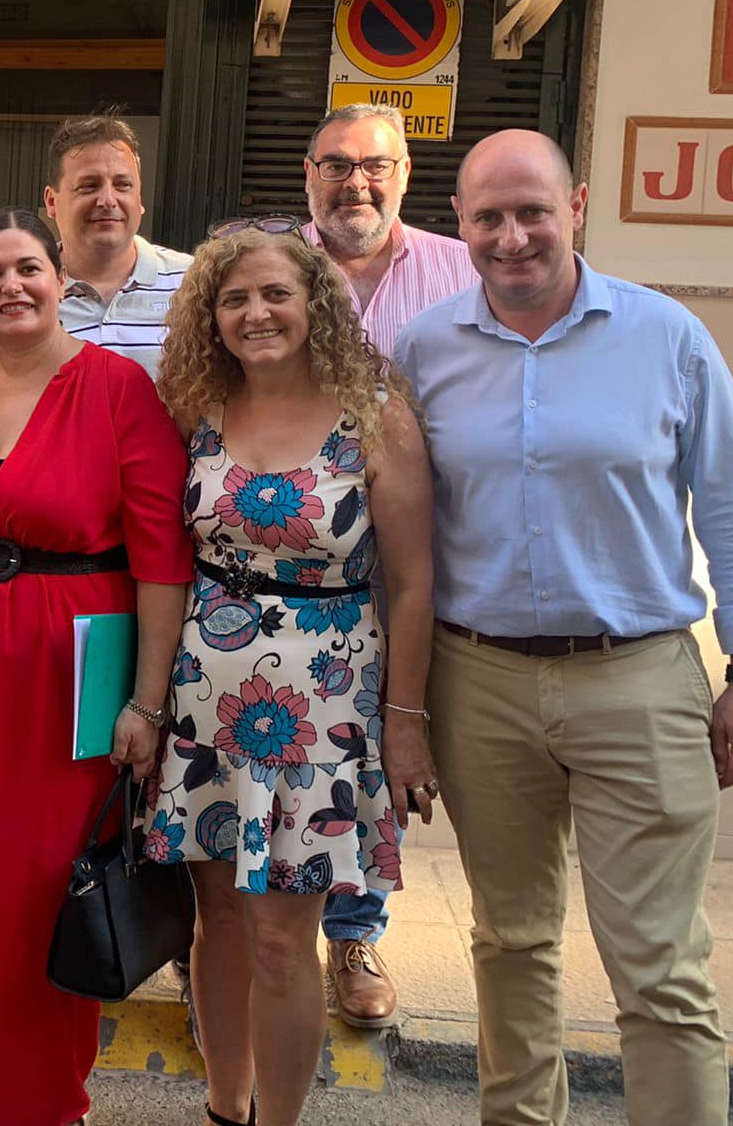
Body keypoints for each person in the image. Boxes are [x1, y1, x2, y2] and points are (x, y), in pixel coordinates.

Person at [394, 130, 733, 1126]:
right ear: (459, 225)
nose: (511, 237)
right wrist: (398, 703)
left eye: (531, 210)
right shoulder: (420, 350)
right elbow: (399, 534)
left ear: (575, 205)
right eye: (486, 217)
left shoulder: (663, 335)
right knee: (509, 941)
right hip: (475, 679)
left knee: (658, 966)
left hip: (636, 680)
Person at [0, 207, 192, 1126]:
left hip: (73, 653)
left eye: (27, 268)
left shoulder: (116, 388)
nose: (10, 287)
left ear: (59, 277)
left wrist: (147, 698)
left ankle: (40, 1096)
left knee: (33, 872)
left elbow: (163, 556)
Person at [148, 228, 436, 1126]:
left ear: (314, 302)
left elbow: (417, 581)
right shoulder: (194, 409)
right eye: (233, 300)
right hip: (206, 698)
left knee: (282, 937)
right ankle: (224, 1109)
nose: (255, 313)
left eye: (274, 294)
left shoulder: (373, 412)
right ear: (211, 318)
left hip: (321, 705)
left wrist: (404, 722)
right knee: (217, 925)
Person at [298, 101, 476, 1029]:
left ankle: (354, 929)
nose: (354, 183)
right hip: (288, 560)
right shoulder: (273, 268)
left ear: (405, 175)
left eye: (374, 166)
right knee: (279, 745)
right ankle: (243, 932)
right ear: (308, 174)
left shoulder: (459, 273)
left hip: (410, 558)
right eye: (335, 165)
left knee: (380, 748)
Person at [0, 115, 191, 375]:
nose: (107, 200)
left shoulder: (192, 283)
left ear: (139, 198)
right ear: (51, 201)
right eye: (88, 186)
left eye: (122, 185)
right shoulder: (14, 293)